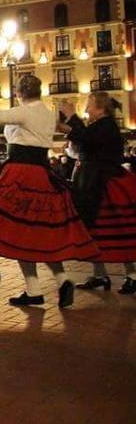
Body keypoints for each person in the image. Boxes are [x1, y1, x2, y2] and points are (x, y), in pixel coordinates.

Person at [0, 76, 97, 308]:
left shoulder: (23, 111)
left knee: (19, 231)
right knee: (40, 232)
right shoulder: (49, 113)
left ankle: (35, 288)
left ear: (19, 92)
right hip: (43, 174)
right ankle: (58, 280)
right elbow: (65, 129)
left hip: (20, 173)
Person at [59, 94, 136, 294]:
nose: (87, 110)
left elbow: (86, 139)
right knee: (95, 231)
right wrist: (67, 126)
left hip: (104, 183)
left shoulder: (107, 125)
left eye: (89, 106)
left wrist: (71, 117)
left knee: (117, 230)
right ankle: (100, 274)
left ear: (100, 108)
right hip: (94, 181)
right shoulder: (101, 125)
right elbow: (84, 142)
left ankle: (132, 275)